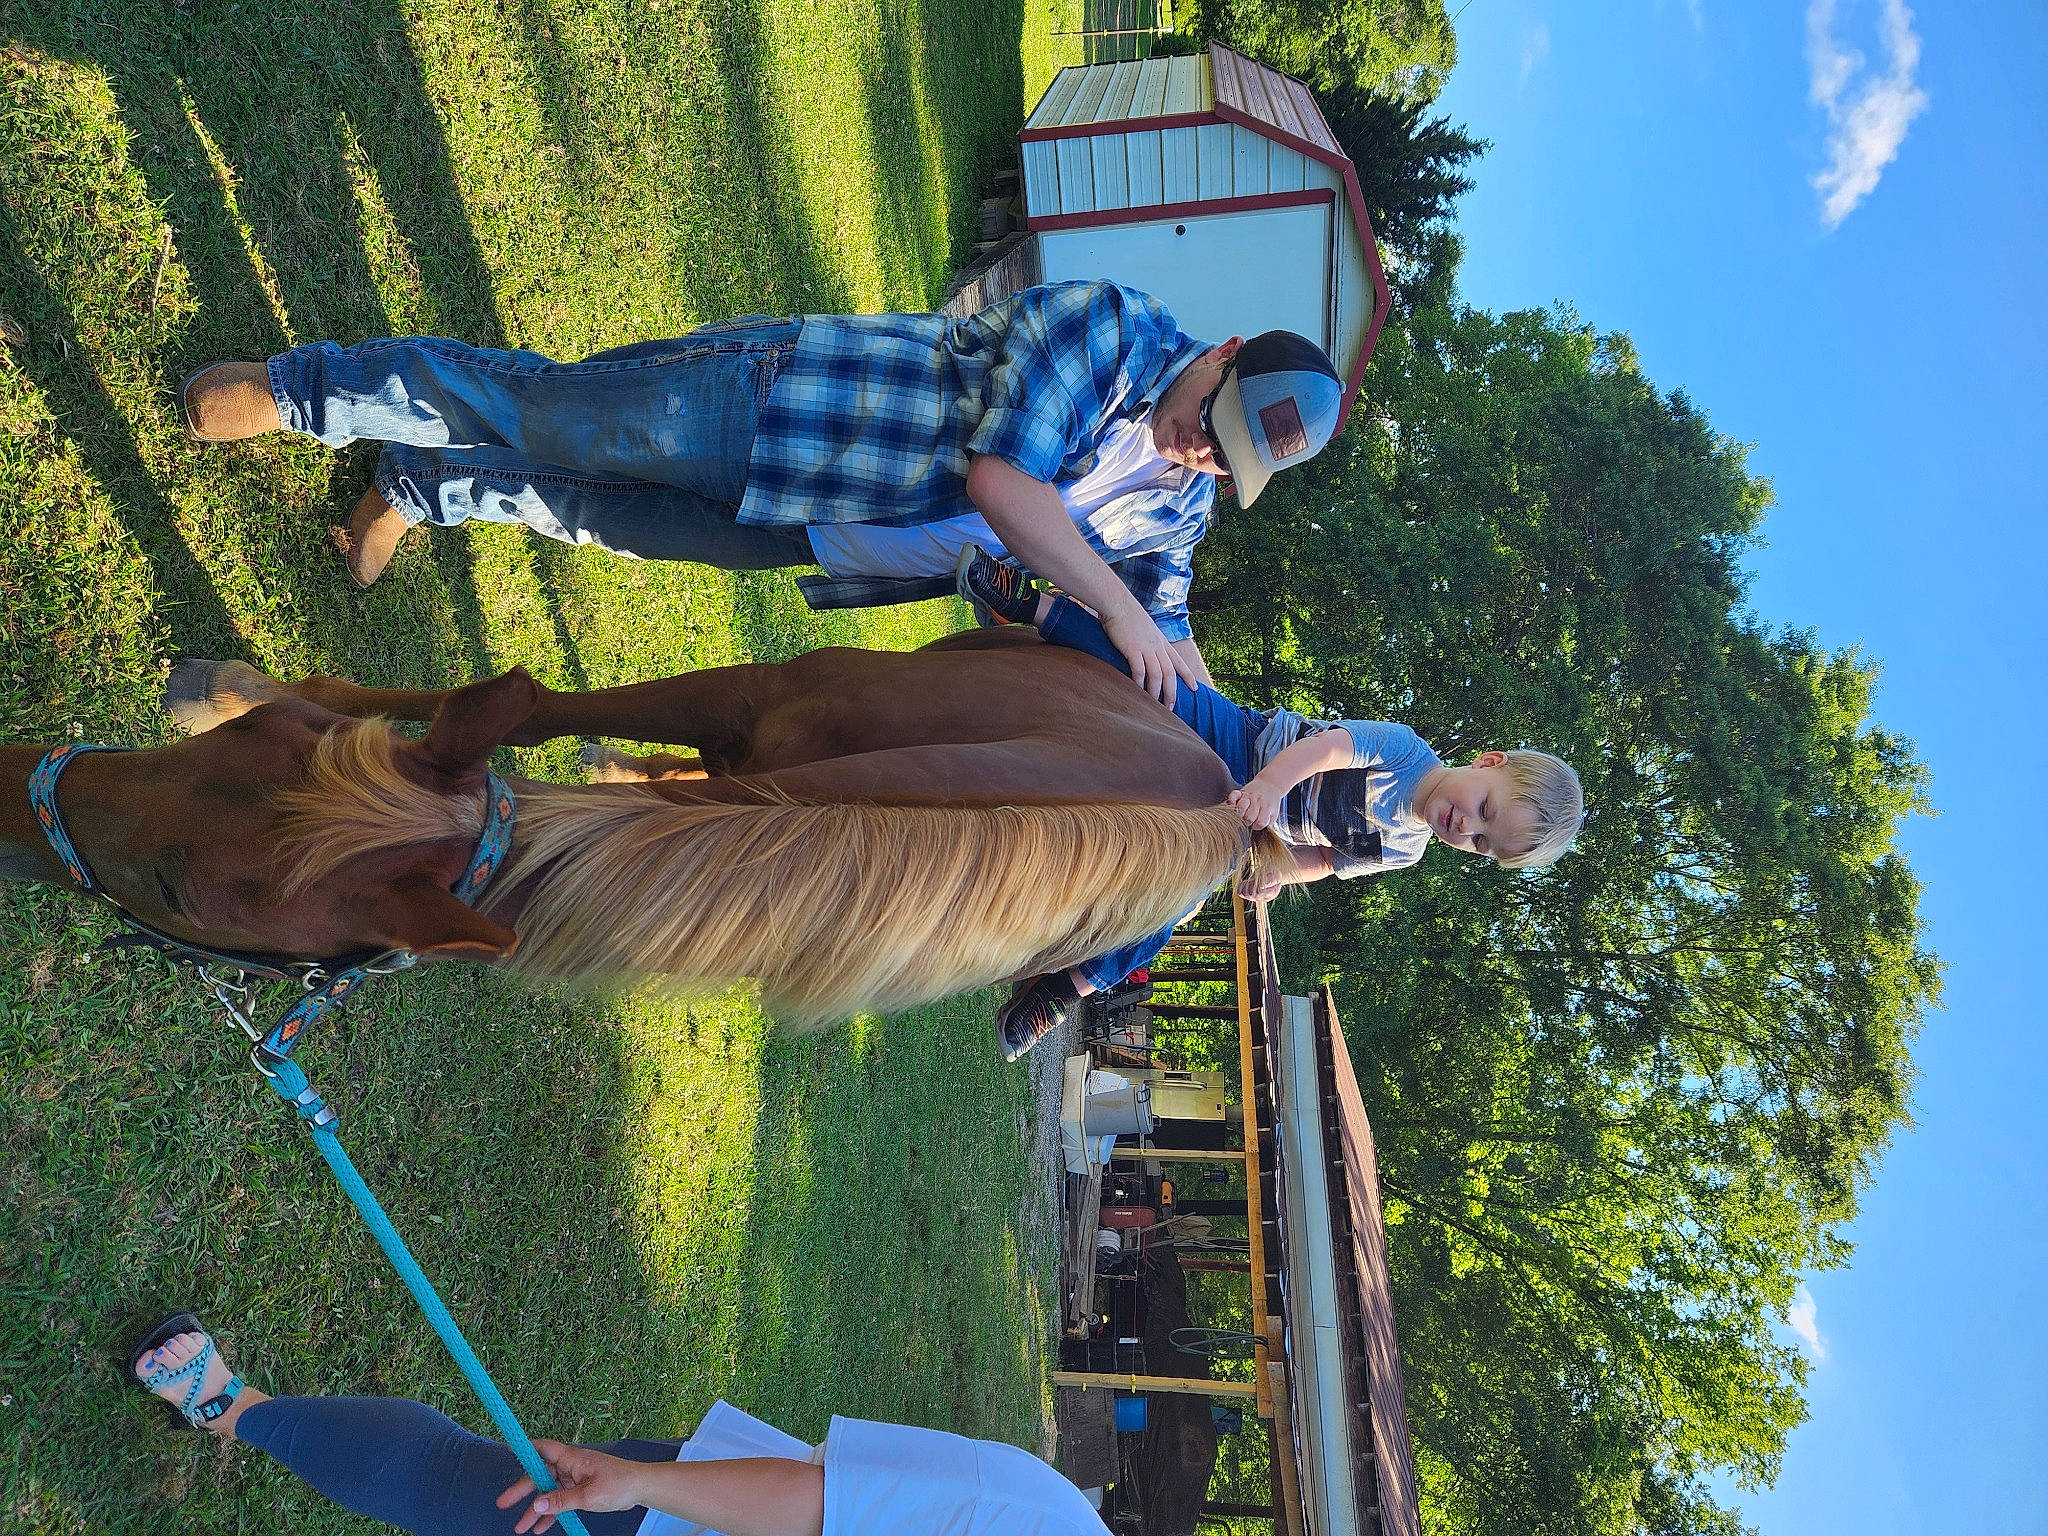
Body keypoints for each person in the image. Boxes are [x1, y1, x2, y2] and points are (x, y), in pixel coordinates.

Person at [178, 282, 1344, 707]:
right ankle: (301, 393)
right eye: (1215, 418)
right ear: (1222, 348)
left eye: (1222, 462)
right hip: (783, 405)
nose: (1197, 450)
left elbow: (1167, 620)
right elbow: (1003, 484)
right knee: (549, 413)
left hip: (819, 532)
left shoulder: (1177, 507)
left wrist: (1222, 730)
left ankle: (414, 492)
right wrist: (1125, 614)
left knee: (592, 514)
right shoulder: (1114, 328)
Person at [956, 553, 1585, 1061]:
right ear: (1489, 764)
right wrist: (1269, 788)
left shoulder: (1406, 848)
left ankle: (1063, 989)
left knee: (1162, 918)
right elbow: (1324, 752)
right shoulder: (1405, 751)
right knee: (1153, 678)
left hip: (1245, 825)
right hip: (1245, 746)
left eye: (1481, 842)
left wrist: (1283, 871)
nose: (1467, 826)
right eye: (1484, 809)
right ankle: (1032, 604)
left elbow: (1327, 859)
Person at [129, 1314, 1107, 1536]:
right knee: (465, 1490)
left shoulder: (1029, 1505)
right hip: (671, 1521)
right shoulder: (1036, 1516)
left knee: (451, 1485)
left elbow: (827, 1501)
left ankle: (233, 1410)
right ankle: (241, 1414)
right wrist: (642, 1485)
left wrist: (638, 1488)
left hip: (653, 1523)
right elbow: (830, 1504)